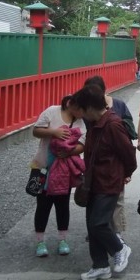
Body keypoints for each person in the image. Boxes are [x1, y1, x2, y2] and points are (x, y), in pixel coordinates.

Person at [69, 85, 137, 280]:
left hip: (109, 182)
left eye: (82, 110)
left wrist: (126, 173)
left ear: (90, 107)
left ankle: (119, 248)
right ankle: (100, 266)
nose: (81, 115)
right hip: (94, 182)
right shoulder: (95, 125)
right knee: (92, 225)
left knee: (99, 223)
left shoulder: (113, 124)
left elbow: (128, 153)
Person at [31, 95, 86, 257]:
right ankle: (40, 241)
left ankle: (63, 239)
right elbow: (35, 131)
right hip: (44, 168)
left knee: (63, 205)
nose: (82, 113)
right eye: (80, 109)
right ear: (71, 104)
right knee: (43, 205)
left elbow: (82, 145)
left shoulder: (80, 122)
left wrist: (69, 151)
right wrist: (53, 132)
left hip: (64, 171)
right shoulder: (52, 112)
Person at [84, 76, 136, 245]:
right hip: (96, 159)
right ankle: (102, 233)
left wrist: (127, 171)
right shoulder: (88, 108)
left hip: (114, 161)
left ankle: (117, 234)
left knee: (117, 199)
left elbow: (129, 134)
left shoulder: (118, 107)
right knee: (98, 202)